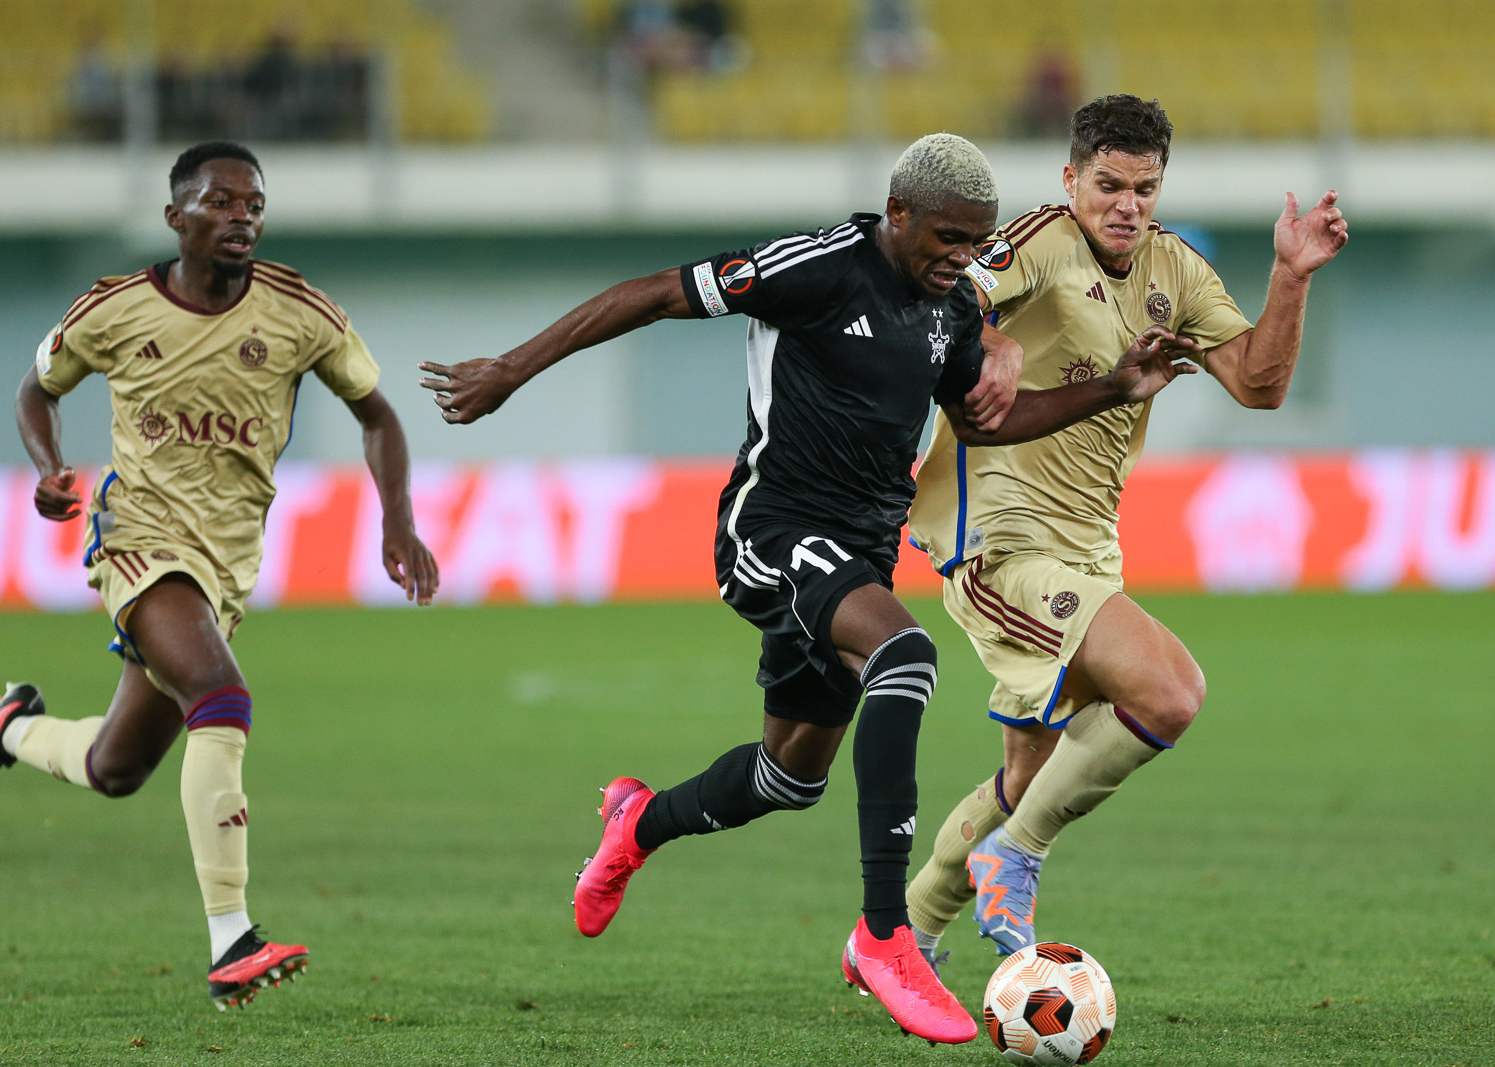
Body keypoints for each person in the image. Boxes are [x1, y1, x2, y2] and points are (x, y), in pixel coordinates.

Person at [417, 132, 1201, 1043]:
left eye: (976, 242)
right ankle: (885, 935)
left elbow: (988, 420)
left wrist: (1114, 387)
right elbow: (655, 292)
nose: (962, 258)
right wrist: (510, 370)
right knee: (905, 655)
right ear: (898, 213)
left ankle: (637, 821)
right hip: (773, 530)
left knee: (787, 776)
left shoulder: (951, 309)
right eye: (947, 237)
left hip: (860, 555)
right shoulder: (817, 267)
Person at [0, 141, 439, 1010]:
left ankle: (13, 730)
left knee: (115, 767)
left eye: (254, 205)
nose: (241, 218)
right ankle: (231, 938)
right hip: (137, 535)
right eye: (221, 202)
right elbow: (37, 388)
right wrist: (49, 466)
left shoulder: (300, 313)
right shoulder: (114, 308)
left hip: (226, 564)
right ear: (177, 217)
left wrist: (396, 516)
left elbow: (379, 415)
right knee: (222, 697)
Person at [902, 95, 1350, 966]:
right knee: (1170, 691)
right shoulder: (1039, 241)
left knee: (1030, 774)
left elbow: (1257, 384)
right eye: (1108, 185)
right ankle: (1015, 855)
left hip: (1088, 547)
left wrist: (1291, 276)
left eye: (1144, 188)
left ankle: (901, 931)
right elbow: (943, 300)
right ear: (1072, 178)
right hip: (997, 540)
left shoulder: (1174, 270)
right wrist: (990, 342)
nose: (1127, 205)